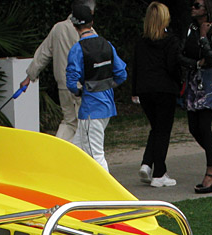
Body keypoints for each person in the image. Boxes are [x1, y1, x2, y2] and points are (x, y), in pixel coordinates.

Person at [65, 2, 127, 172]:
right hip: (107, 106)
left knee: (96, 156)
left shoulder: (77, 49)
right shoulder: (106, 44)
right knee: (76, 150)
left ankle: (107, 197)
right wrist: (106, 85)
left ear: (74, 25)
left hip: (91, 109)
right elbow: (122, 73)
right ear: (92, 22)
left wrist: (79, 91)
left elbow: (71, 82)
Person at [20, 1, 94, 141]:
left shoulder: (57, 28)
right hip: (82, 86)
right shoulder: (89, 33)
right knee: (85, 123)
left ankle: (59, 148)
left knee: (68, 121)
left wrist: (29, 76)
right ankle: (82, 155)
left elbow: (43, 54)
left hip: (63, 85)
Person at [179, 0, 212, 194]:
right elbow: (181, 55)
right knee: (193, 128)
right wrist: (195, 64)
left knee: (204, 126)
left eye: (197, 5)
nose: (192, 7)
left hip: (209, 83)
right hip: (194, 80)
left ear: (206, 9)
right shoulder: (190, 29)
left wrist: (203, 38)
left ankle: (210, 172)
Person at [131, 2, 182, 187]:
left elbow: (136, 66)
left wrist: (134, 90)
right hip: (164, 89)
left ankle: (147, 163)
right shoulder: (171, 41)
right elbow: (172, 66)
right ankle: (159, 173)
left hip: (145, 90)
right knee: (163, 131)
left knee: (156, 128)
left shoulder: (141, 42)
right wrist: (179, 82)